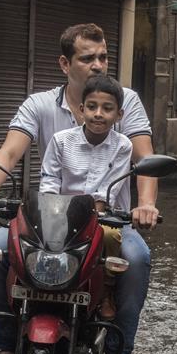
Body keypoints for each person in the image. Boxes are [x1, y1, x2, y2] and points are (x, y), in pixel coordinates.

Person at [0, 23, 158, 354]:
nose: (99, 65)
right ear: (65, 65)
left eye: (103, 57)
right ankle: (5, 348)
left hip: (108, 218)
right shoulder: (39, 104)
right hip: (48, 220)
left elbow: (145, 162)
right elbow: (9, 151)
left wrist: (145, 205)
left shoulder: (125, 99)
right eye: (88, 58)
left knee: (138, 259)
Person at [40, 74, 132, 320]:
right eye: (92, 107)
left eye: (107, 108)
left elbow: (108, 189)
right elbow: (49, 180)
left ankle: (107, 291)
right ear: (81, 110)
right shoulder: (61, 141)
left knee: (113, 238)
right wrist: (52, 211)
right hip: (60, 215)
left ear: (119, 115)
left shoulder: (123, 145)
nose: (98, 114)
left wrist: (94, 212)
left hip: (103, 217)